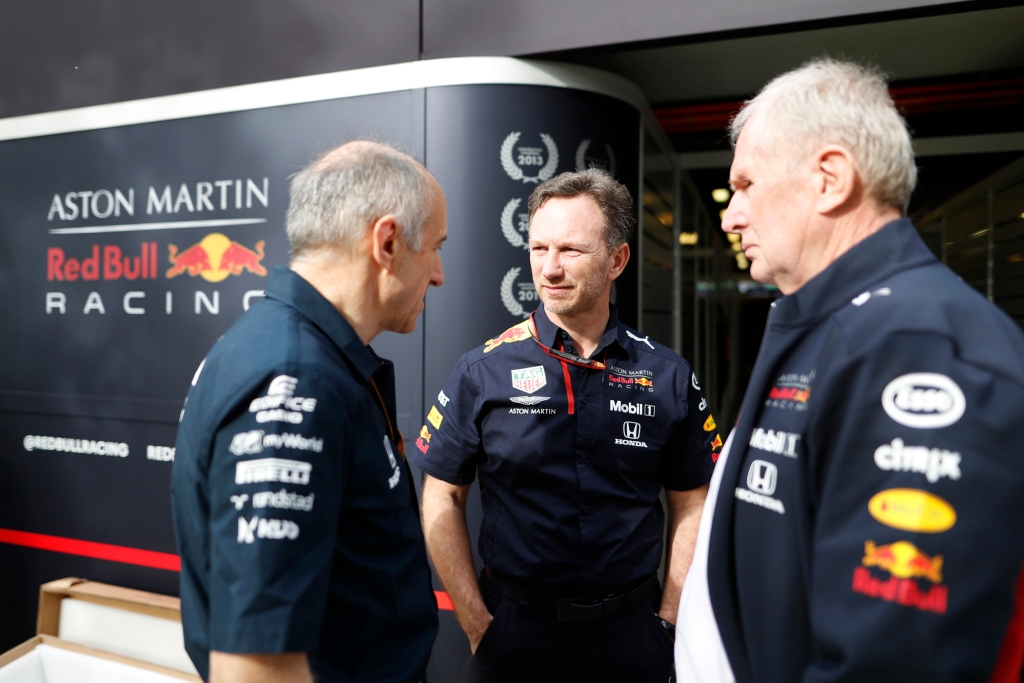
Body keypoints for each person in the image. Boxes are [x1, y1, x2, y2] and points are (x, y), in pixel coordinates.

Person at [675, 58, 1024, 682]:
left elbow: (896, 659)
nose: (730, 215)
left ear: (830, 179)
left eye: (747, 185)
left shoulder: (919, 346)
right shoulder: (835, 324)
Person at [410, 168, 721, 683]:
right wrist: (476, 622)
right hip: (513, 637)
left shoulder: (667, 374)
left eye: (571, 250)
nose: (550, 268)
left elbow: (693, 500)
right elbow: (442, 494)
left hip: (632, 638)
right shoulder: (481, 370)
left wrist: (668, 620)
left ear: (617, 259)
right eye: (539, 249)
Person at [170, 140, 446, 683]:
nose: (438, 274)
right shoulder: (297, 378)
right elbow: (255, 668)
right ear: (387, 242)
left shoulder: (288, 351)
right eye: (435, 247)